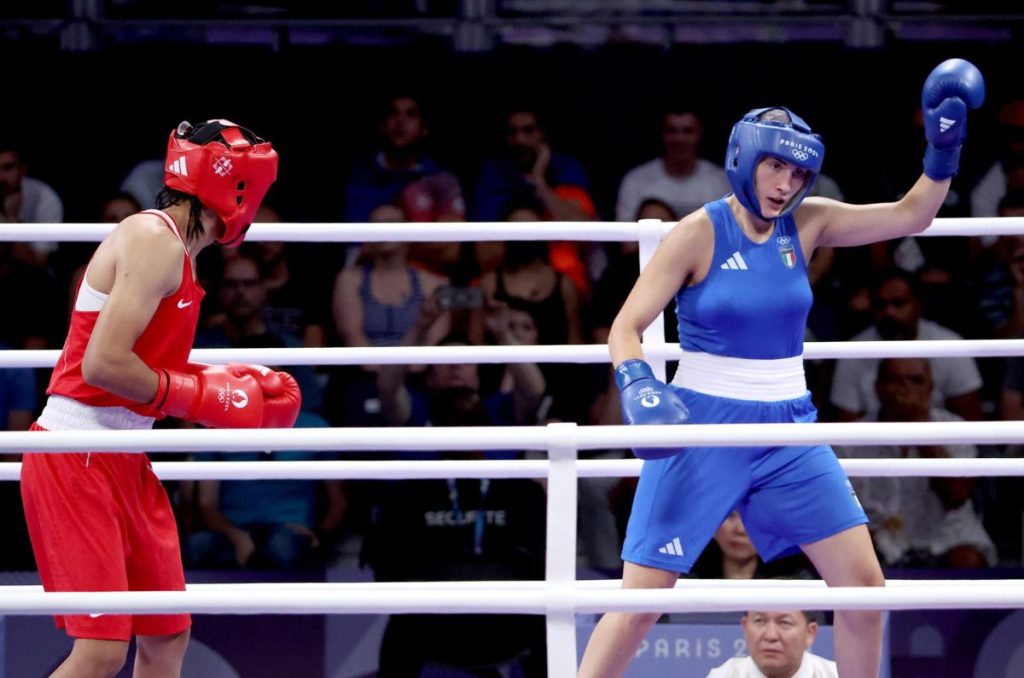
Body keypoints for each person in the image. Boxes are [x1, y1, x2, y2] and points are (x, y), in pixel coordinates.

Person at [577, 59, 985, 678]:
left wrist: (943, 148)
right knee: (640, 604)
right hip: (704, 426)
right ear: (745, 159)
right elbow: (626, 327)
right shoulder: (697, 232)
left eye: (797, 172)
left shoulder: (810, 221)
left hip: (790, 429)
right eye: (775, 166)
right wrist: (637, 382)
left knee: (863, 592)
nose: (785, 183)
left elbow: (912, 216)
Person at [19, 119, 301, 678]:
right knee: (99, 653)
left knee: (167, 634)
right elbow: (102, 363)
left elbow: (149, 361)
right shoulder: (152, 241)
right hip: (78, 455)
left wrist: (223, 379)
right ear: (236, 188)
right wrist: (202, 399)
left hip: (124, 456)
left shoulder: (178, 250)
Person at [836, 358, 996, 568]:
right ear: (877, 387)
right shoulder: (851, 437)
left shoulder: (955, 429)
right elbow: (840, 509)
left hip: (947, 539)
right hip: (878, 542)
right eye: (895, 380)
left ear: (930, 388)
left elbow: (956, 495)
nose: (905, 389)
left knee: (967, 559)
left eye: (915, 381)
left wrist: (920, 426)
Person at [615, 107, 730, 222]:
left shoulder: (721, 181)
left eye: (687, 131)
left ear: (699, 134)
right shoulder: (636, 181)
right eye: (671, 131)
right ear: (662, 135)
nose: (679, 139)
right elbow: (626, 237)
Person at [706, 610, 837, 678]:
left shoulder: (836, 675)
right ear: (745, 628)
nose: (770, 635)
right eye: (759, 621)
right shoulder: (724, 675)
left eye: (784, 623)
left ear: (810, 632)